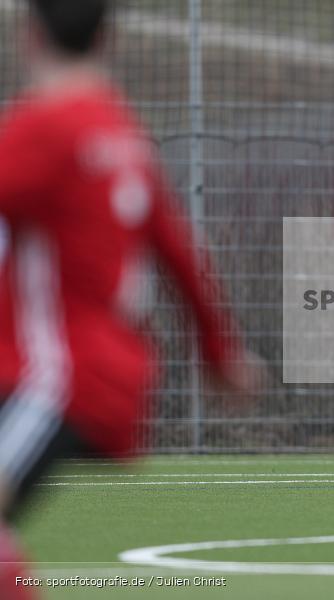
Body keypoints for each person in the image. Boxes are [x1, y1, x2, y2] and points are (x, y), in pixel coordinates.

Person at [0, 2, 258, 596]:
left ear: (30, 35)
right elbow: (178, 253)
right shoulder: (121, 132)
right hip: (97, 375)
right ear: (108, 37)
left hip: (57, 378)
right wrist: (221, 356)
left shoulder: (42, 127)